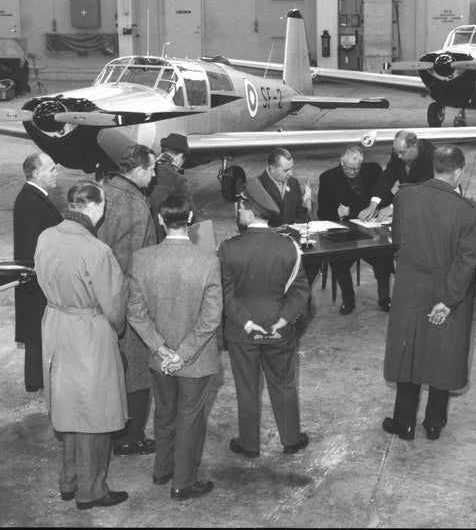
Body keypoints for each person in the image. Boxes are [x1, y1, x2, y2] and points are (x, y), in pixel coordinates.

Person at [34, 180, 130, 510]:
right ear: (91, 208)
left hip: (56, 326)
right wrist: (115, 329)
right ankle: (91, 491)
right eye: (102, 207)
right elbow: (115, 304)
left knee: (68, 406)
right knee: (94, 411)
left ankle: (69, 480)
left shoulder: (47, 236)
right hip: (88, 331)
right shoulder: (97, 250)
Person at [126, 194, 222, 501]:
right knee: (191, 417)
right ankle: (183, 483)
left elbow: (135, 312)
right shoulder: (208, 262)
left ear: (161, 221)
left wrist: (162, 349)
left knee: (165, 413)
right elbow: (211, 318)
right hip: (195, 361)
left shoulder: (142, 259)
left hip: (160, 358)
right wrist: (182, 353)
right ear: (191, 218)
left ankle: (161, 469)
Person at [382, 146, 476, 441]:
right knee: (442, 356)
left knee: (408, 353)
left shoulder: (405, 196)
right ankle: (434, 423)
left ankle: (404, 423)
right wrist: (449, 301)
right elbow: (466, 261)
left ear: (434, 166)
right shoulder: (467, 210)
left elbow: (397, 240)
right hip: (446, 293)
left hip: (410, 288)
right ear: (459, 171)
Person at [218, 177, 311, 457]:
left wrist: (247, 323)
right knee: (283, 384)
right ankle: (291, 440)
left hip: (241, 331)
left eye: (240, 207)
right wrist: (284, 319)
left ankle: (249, 445)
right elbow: (300, 289)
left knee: (247, 388)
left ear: (247, 210)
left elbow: (225, 294)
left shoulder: (228, 248)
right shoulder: (290, 247)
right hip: (279, 329)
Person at [96, 143, 157, 457]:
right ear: (139, 170)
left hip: (99, 297)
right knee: (136, 371)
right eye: (152, 169)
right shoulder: (135, 205)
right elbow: (135, 262)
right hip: (126, 301)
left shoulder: (105, 191)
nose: (155, 174)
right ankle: (130, 437)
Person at [317, 145, 392, 314]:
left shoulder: (373, 170)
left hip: (370, 230)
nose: (353, 172)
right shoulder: (328, 178)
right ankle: (348, 300)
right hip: (345, 233)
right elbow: (322, 212)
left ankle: (385, 298)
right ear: (341, 162)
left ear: (362, 163)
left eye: (357, 168)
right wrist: (336, 212)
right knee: (338, 261)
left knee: (384, 255)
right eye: (349, 169)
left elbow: (387, 197)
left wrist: (380, 208)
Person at [13, 151, 62, 393]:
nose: (56, 174)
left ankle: (37, 378)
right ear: (35, 174)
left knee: (37, 330)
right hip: (38, 279)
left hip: (34, 279)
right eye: (51, 169)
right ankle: (38, 379)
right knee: (38, 329)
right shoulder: (32, 201)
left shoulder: (33, 197)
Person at [358, 130, 436, 222]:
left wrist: (394, 207)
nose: (398, 156)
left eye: (402, 153)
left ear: (414, 147)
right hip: (406, 203)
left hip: (427, 208)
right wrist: (373, 205)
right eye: (396, 152)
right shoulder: (398, 152)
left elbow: (421, 189)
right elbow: (387, 177)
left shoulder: (431, 155)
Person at [147, 133, 196, 243]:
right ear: (179, 157)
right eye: (183, 161)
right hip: (164, 238)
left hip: (144, 235)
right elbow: (190, 213)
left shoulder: (147, 172)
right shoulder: (178, 179)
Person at [257, 147, 310, 227]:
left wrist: (295, 228)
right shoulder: (257, 186)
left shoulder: (293, 183)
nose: (291, 173)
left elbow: (301, 212)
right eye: (286, 170)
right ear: (272, 169)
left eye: (291, 168)